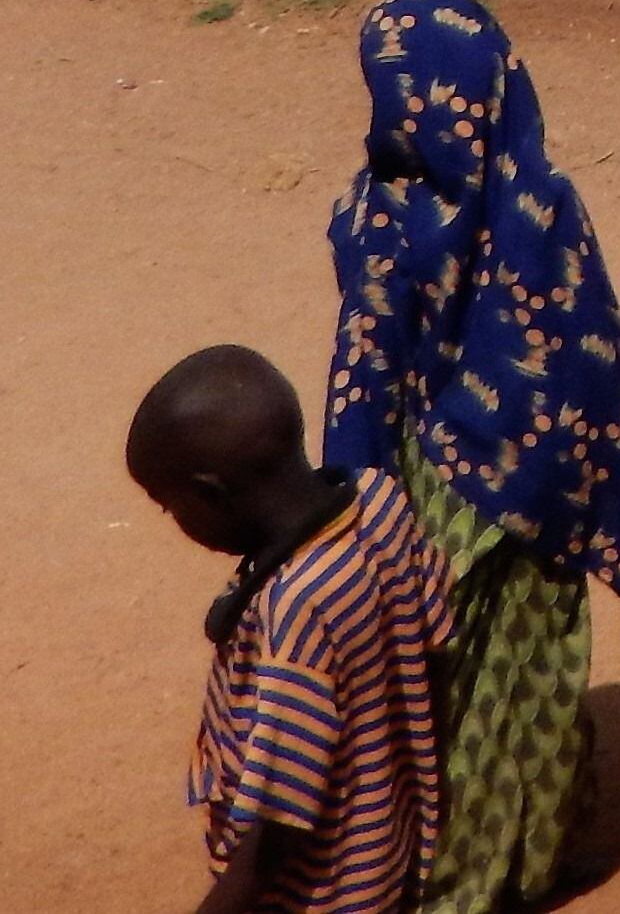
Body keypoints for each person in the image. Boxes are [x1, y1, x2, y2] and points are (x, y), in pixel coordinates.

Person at [323, 0, 620, 914]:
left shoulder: (376, 211)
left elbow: (363, 371)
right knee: (530, 676)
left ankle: (457, 875)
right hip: (542, 488)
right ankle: (534, 852)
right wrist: (612, 486)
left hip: (425, 494)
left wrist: (347, 497)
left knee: (439, 681)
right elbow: (594, 353)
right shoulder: (543, 205)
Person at [131, 344, 452, 914]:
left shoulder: (296, 611)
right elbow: (435, 644)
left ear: (212, 494)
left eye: (170, 507)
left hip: (322, 893)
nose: (176, 523)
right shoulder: (380, 502)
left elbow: (280, 821)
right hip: (391, 854)